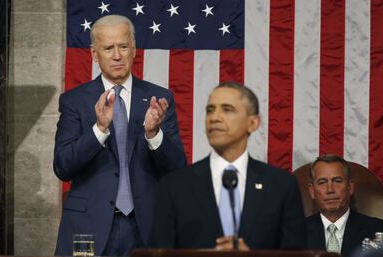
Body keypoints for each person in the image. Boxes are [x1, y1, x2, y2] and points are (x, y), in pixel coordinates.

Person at [53, 15, 186, 256]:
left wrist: (153, 133)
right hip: (90, 224)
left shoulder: (159, 99)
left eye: (123, 47)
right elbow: (63, 166)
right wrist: (99, 130)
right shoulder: (75, 101)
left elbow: (178, 168)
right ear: (94, 54)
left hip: (145, 226)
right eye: (108, 48)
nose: (117, 55)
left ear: (134, 50)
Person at [150, 82, 306, 250]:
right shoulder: (174, 186)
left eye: (227, 109)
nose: (214, 117)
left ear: (253, 123)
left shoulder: (281, 186)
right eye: (210, 110)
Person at [306, 155, 383, 257]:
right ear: (312, 191)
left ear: (350, 187)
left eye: (337, 181)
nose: (330, 189)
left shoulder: (381, 231)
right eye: (322, 182)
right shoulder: (295, 233)